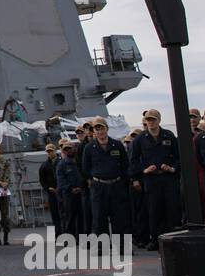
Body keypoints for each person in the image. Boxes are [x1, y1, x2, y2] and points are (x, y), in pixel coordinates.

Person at [130, 109, 181, 251]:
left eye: (153, 119)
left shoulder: (169, 136)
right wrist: (143, 170)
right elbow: (133, 160)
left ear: (159, 120)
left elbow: (178, 157)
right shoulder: (140, 139)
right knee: (153, 210)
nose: (151, 122)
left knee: (171, 209)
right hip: (151, 180)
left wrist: (172, 168)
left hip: (167, 178)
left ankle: (172, 238)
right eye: (148, 120)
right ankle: (155, 239)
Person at [79, 117, 130, 255]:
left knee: (120, 218)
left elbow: (125, 165)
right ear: (94, 131)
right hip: (99, 187)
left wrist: (123, 182)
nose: (100, 131)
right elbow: (85, 168)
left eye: (101, 128)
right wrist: (93, 181)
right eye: (97, 128)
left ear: (107, 128)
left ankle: (123, 247)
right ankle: (102, 248)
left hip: (116, 185)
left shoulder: (117, 145)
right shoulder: (89, 148)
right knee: (99, 218)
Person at [55, 141, 84, 236]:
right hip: (68, 195)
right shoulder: (62, 165)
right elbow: (61, 180)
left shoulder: (80, 162)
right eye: (66, 149)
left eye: (70, 148)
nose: (69, 151)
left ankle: (81, 238)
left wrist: (81, 187)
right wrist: (71, 188)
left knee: (82, 217)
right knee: (69, 217)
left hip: (81, 193)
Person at [38, 143, 59, 236]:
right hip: (52, 192)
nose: (50, 153)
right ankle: (58, 234)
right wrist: (48, 188)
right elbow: (42, 180)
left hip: (62, 191)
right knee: (55, 214)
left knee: (66, 214)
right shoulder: (44, 166)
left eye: (51, 150)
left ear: (55, 150)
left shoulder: (61, 162)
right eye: (48, 151)